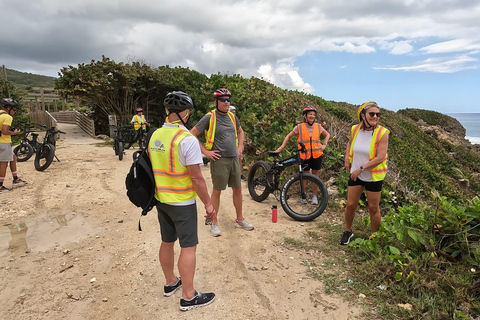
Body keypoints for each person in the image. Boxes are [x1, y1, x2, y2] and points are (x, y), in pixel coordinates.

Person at [148, 91, 216, 311]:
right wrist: (208, 203)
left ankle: (170, 283)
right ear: (186, 113)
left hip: (161, 200)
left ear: (167, 111)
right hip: (182, 202)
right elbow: (196, 177)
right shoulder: (186, 140)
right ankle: (188, 296)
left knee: (167, 241)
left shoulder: (155, 135)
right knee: (189, 247)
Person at [190, 88, 253, 237]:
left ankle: (240, 219)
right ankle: (214, 222)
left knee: (237, 189)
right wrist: (205, 152)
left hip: (234, 159)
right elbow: (192, 134)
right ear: (216, 102)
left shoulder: (232, 116)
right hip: (219, 160)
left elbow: (241, 132)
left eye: (228, 100)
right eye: (222, 99)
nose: (226, 102)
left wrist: (240, 146)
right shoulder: (209, 117)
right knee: (217, 191)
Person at [340, 101, 389, 245]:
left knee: (373, 208)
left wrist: (361, 168)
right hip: (356, 174)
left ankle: (375, 237)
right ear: (363, 115)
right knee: (350, 205)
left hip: (373, 176)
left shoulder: (382, 133)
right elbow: (350, 143)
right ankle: (348, 231)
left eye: (377, 114)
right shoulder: (355, 129)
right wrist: (347, 159)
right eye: (372, 114)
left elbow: (380, 157)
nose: (375, 117)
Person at [275, 106, 330, 205]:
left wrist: (324, 145)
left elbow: (327, 135)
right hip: (304, 155)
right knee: (303, 176)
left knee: (316, 176)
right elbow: (288, 136)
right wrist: (281, 147)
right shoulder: (299, 127)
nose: (312, 116)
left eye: (313, 114)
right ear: (305, 116)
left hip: (317, 154)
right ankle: (302, 195)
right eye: (310, 114)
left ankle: (314, 196)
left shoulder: (318, 126)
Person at [0, 98, 26, 194]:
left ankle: (15, 179)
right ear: (8, 108)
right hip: (3, 142)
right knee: (3, 163)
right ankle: (0, 185)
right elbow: (5, 131)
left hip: (2, 142)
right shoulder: (7, 117)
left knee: (13, 157)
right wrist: (14, 132)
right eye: (14, 110)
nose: (14, 112)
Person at [229, 105, 247, 181]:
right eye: (232, 112)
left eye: (234, 112)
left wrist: (241, 144)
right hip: (227, 144)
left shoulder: (235, 120)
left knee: (239, 158)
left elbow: (240, 132)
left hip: (235, 142)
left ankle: (240, 175)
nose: (233, 114)